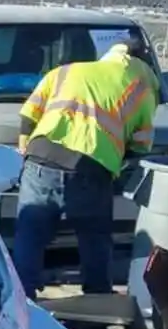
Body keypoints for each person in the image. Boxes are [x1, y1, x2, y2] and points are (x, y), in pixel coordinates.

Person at [10, 41, 158, 296]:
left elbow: (28, 115)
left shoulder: (66, 71)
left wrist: (25, 151)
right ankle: (97, 298)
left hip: (41, 156)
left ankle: (21, 299)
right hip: (91, 167)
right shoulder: (141, 87)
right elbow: (142, 143)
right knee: (94, 239)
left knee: (30, 234)